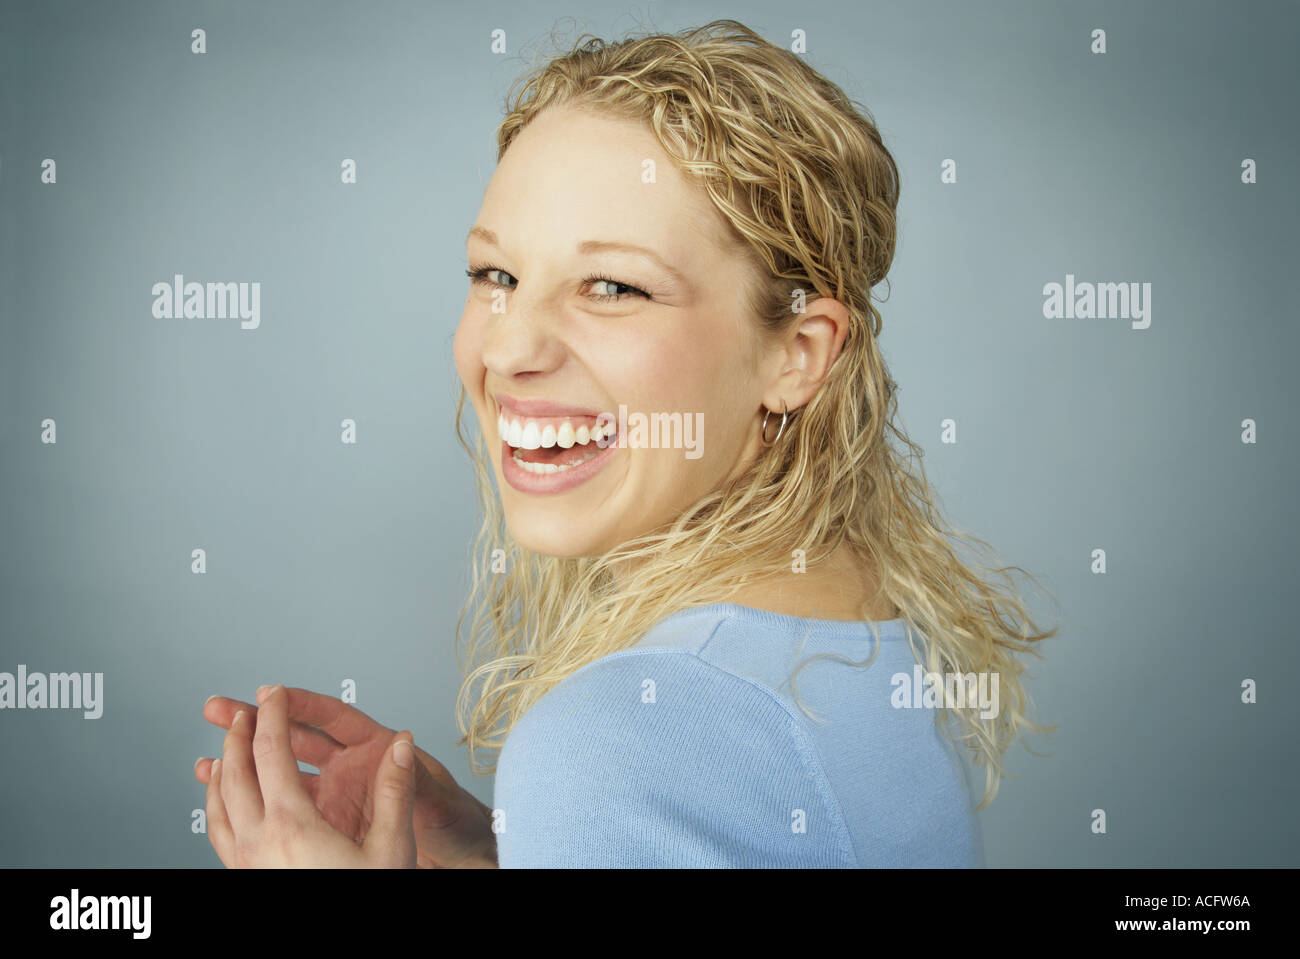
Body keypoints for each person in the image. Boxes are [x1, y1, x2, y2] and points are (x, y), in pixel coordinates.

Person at [193, 19, 1057, 868]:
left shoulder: (611, 738)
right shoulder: (863, 636)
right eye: (497, 275)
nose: (508, 349)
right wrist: (499, 851)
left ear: (796, 355)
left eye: (613, 285)